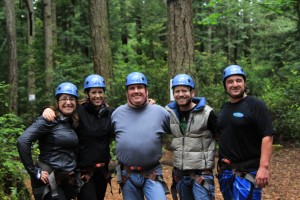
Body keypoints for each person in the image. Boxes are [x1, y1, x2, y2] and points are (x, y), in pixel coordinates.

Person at [42, 74, 115, 200]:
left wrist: (148, 104)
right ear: (87, 94)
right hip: (84, 173)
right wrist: (47, 109)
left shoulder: (110, 113)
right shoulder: (78, 112)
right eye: (93, 92)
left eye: (100, 92)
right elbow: (62, 113)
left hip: (102, 172)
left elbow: (129, 112)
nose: (97, 95)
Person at [217, 65, 274, 200]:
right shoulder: (225, 108)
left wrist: (263, 167)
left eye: (238, 80)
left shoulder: (255, 105)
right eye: (230, 81)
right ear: (225, 85)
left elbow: (267, 136)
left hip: (248, 171)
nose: (235, 84)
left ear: (245, 83)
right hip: (227, 172)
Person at [112, 72, 171, 200]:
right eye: (132, 88)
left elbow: (178, 132)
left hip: (152, 172)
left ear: (146, 91)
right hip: (127, 174)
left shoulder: (160, 112)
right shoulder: (116, 114)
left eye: (140, 87)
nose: (136, 91)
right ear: (127, 92)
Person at [17, 82, 80, 200]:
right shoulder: (48, 120)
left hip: (65, 181)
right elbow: (23, 141)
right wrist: (34, 171)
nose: (68, 102)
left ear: (76, 102)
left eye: (72, 99)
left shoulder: (71, 121)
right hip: (48, 181)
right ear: (57, 102)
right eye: (64, 99)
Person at [165, 74, 218, 200]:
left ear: (192, 93)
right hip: (181, 175)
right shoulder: (169, 113)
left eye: (184, 90)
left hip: (201, 175)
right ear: (174, 94)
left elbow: (221, 136)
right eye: (177, 91)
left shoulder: (207, 113)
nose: (181, 94)